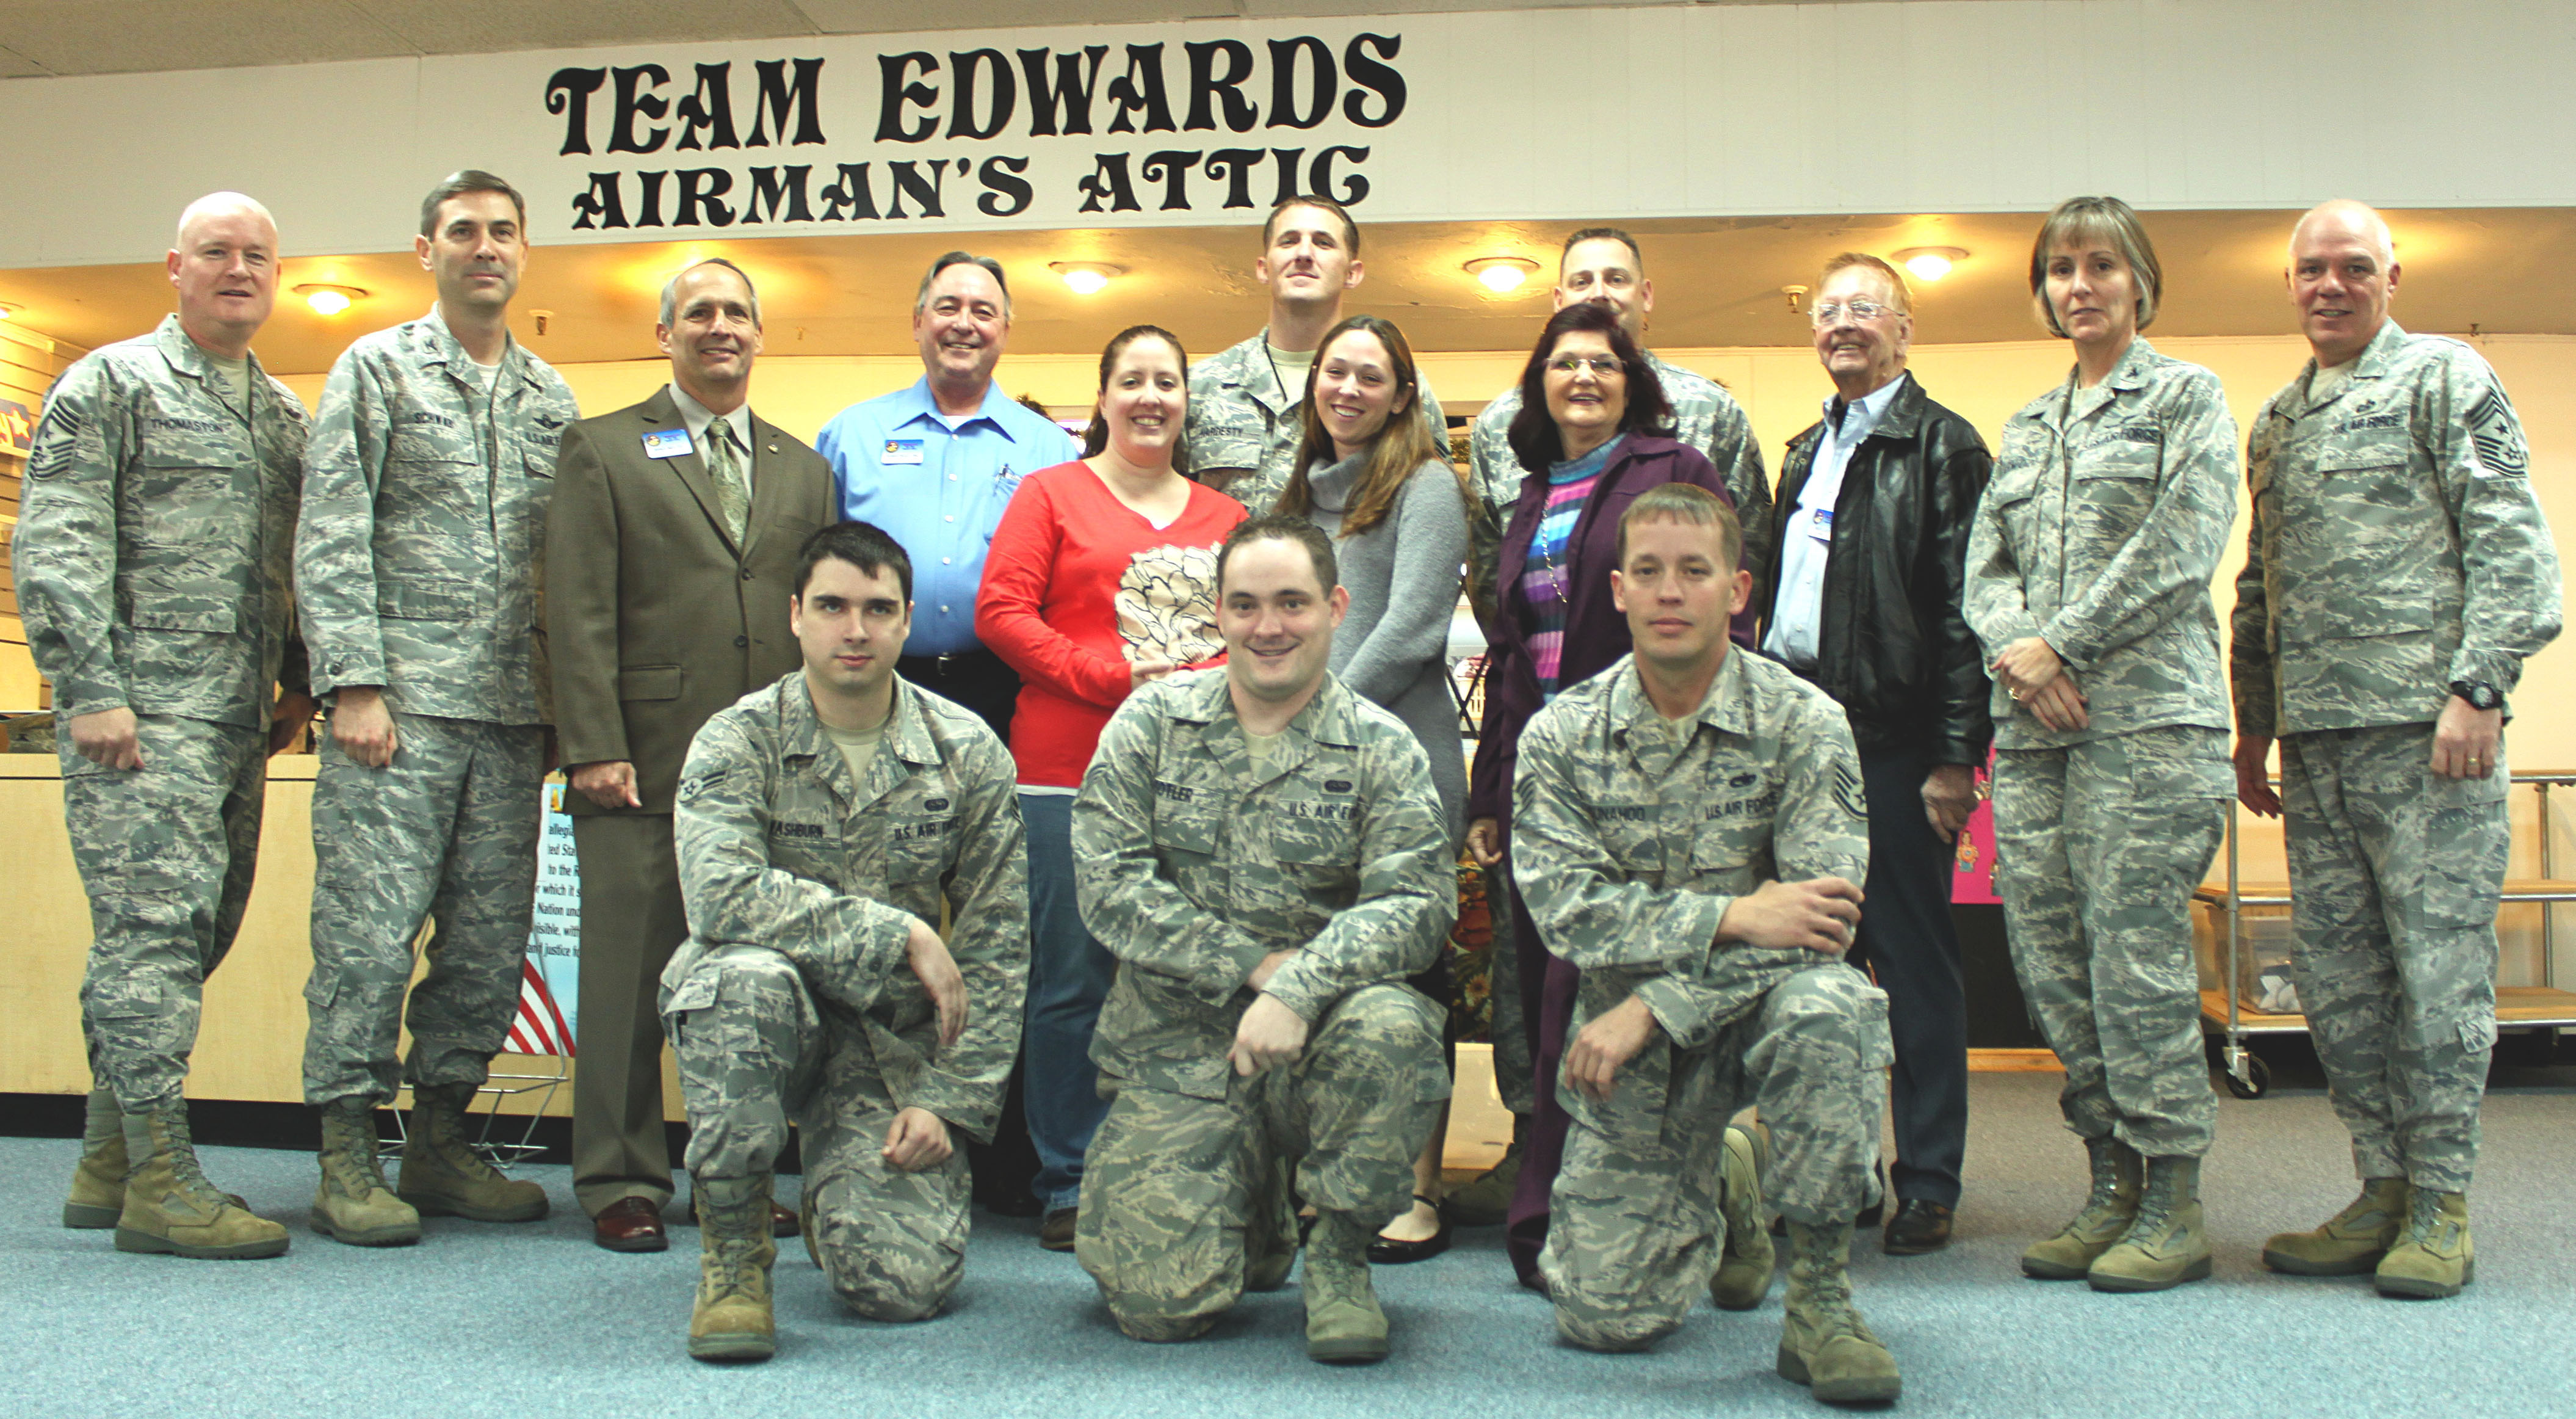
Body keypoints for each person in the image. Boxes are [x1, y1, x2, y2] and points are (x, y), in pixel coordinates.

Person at [2234, 200, 2561, 1301]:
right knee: (2340, 984)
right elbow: (2258, 585)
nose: (2331, 284)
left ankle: (2442, 1201)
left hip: (2433, 742)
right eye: (2312, 269)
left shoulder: (2444, 377)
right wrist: (2253, 722)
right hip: (2319, 745)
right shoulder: (2278, 419)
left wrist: (2479, 687)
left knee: (2438, 975)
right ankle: (2379, 1182)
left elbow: (2511, 539)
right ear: (2289, 283)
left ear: (2393, 276)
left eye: (2354, 267)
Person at [1514, 484, 1898, 1406]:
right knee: (1604, 1321)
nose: (1670, 592)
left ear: (1738, 589)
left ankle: (1820, 1301)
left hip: (1734, 1014)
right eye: (1648, 573)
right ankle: (1732, 1186)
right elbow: (1569, 911)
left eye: (1695, 571)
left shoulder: (1804, 719)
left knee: (1834, 1006)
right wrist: (1732, 914)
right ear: (1615, 591)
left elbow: (1822, 924)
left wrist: (1659, 1001)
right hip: (1632, 1055)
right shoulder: (1563, 735)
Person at [1070, 516, 1455, 1364]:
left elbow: (1419, 906)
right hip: (1178, 1046)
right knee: (1158, 1307)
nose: (1268, 626)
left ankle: (1342, 1255)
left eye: (1292, 603)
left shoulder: (1380, 747)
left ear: (1336, 607)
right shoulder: (1151, 725)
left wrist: (1298, 986)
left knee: (1395, 1027)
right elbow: (1109, 889)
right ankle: (1257, 1208)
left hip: (1319, 1045)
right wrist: (1250, 966)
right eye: (1244, 605)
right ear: (1219, 613)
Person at [14, 192, 313, 1260]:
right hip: (137, 716)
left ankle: (106, 1150)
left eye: (258, 257)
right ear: (174, 267)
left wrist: (296, 680)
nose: (240, 269)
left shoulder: (281, 415)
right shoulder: (110, 384)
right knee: (151, 938)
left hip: (236, 723)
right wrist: (87, 683)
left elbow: (294, 566)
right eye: (218, 253)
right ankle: (162, 1178)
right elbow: (57, 540)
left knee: (198, 933)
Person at [1452, 230, 1767, 1230]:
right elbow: (1512, 651)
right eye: (1563, 362)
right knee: (1543, 973)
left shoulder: (1674, 465)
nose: (1582, 375)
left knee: (1638, 970)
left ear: (1631, 377)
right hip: (1544, 774)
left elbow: (1729, 617)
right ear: (1538, 385)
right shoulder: (1534, 494)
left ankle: (1687, 1177)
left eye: (1601, 360)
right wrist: (1490, 793)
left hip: (1647, 766)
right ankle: (1556, 1182)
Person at [663, 521, 1027, 1362]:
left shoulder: (965, 749)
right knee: (740, 980)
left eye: (877, 609)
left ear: (906, 622)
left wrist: (950, 1100)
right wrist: (894, 929)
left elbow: (998, 941)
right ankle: (735, 1253)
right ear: (795, 615)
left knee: (901, 1290)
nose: (854, 630)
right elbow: (720, 895)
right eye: (831, 606)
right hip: (762, 1017)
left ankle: (841, 1200)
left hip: (885, 1044)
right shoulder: (738, 738)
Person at [294, 170, 579, 1246]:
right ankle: (345, 1148)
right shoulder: (376, 368)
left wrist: (562, 707)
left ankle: (444, 1140)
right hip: (397, 712)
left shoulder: (551, 397)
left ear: (523, 249)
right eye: (463, 231)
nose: (485, 248)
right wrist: (352, 679)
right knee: (367, 934)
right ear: (428, 250)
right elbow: (331, 528)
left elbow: (564, 565)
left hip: (510, 718)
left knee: (485, 945)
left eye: (503, 230)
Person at [1964, 195, 2239, 1293]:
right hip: (2033, 733)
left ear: (2140, 282)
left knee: (2134, 954)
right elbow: (1984, 564)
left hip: (2148, 724)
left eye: (2100, 266)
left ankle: (2174, 1192)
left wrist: (2060, 643)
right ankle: (2109, 1176)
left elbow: (2185, 543)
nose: (2080, 285)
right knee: (2052, 958)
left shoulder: (2186, 396)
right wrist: (2021, 651)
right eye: (2062, 268)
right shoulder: (2030, 425)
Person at [546, 257, 834, 1252]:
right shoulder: (602, 449)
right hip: (642, 761)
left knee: (760, 981)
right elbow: (574, 609)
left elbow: (815, 615)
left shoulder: (804, 465)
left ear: (762, 335)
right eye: (700, 312)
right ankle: (621, 1175)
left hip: (768, 772)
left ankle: (741, 1172)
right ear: (666, 334)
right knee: (628, 976)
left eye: (739, 313)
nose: (722, 327)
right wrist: (591, 743)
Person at [976, 325, 1248, 1246]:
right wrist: (1115, 684)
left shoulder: (1225, 518)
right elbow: (1002, 613)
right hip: (1064, 771)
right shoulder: (1050, 494)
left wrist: (1193, 696)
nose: (1149, 397)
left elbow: (1249, 634)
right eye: (1130, 380)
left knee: (1190, 974)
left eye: (1166, 381)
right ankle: (1071, 1176)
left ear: (1185, 401)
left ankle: (1183, 1160)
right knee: (1071, 979)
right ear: (1101, 399)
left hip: (1192, 778)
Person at [1755, 253, 1992, 1255]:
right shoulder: (1805, 447)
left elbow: (1963, 608)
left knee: (1911, 958)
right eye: (1828, 308)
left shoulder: (1943, 445)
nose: (1844, 323)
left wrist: (1953, 756)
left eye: (1865, 308)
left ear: (1904, 329)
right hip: (1800, 739)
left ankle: (1929, 1176)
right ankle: (1839, 1164)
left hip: (1896, 745)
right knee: (1818, 959)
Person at [1276, 314, 1471, 1262]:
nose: (1348, 389)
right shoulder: (1298, 494)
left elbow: (1416, 629)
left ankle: (1416, 1182)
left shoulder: (1427, 483)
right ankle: (1338, 1165)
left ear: (1403, 394)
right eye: (1334, 371)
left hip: (1402, 763)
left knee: (1411, 970)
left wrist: (1322, 721)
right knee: (1326, 963)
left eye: (1371, 376)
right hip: (1305, 769)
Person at [816, 251, 1078, 742]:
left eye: (983, 312)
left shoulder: (1051, 447)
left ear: (1004, 329)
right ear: (918, 323)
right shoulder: (851, 435)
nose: (965, 324)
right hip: (873, 683)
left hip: (1005, 688)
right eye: (947, 307)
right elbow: (812, 569)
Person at [1181, 195, 1444, 514]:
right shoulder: (1202, 386)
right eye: (1289, 241)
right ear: (1264, 268)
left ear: (1353, 273)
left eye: (1323, 243)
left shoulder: (1392, 389)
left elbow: (1435, 508)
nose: (1304, 254)